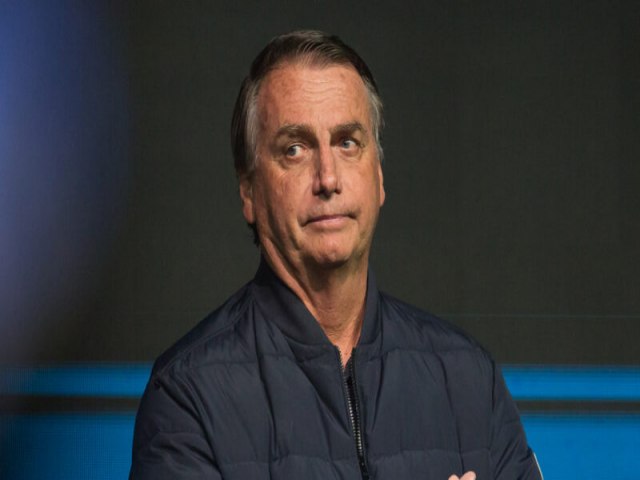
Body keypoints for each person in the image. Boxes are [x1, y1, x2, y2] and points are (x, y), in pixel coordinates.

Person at [129, 30, 543, 480]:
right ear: (249, 191)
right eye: (295, 149)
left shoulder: (469, 379)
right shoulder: (187, 394)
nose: (328, 178)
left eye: (348, 143)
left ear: (378, 176)